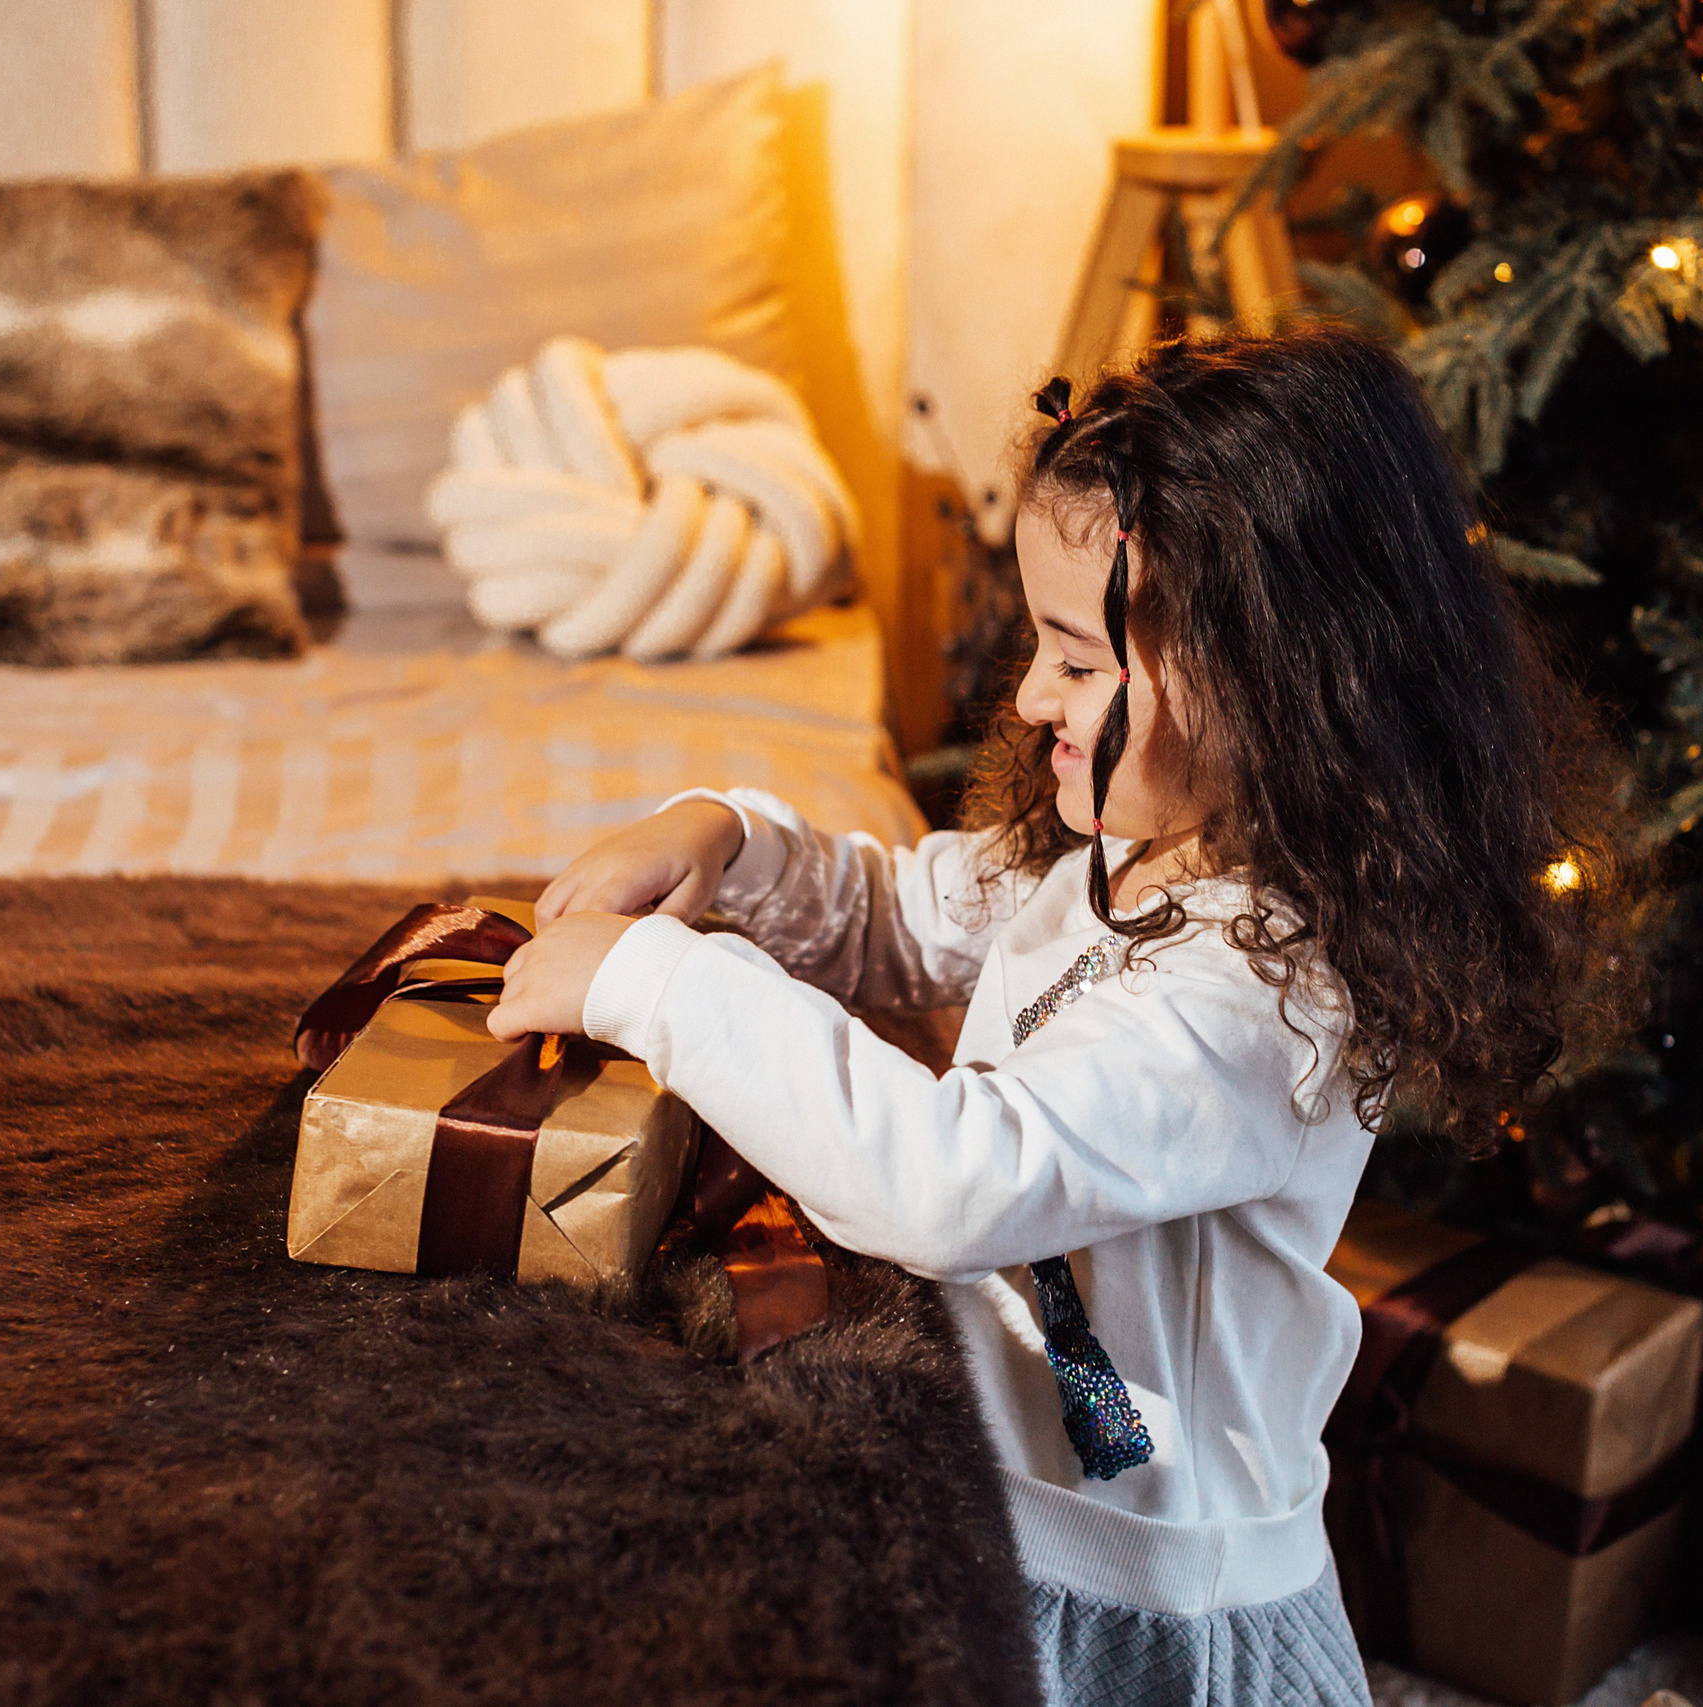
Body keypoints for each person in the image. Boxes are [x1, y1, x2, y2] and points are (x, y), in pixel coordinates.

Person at [486, 324, 1634, 1706]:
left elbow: (957, 1180)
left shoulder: (1261, 1001)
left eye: (1080, 664)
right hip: (1003, 1493)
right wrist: (723, 838)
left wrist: (660, 984)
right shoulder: (1116, 853)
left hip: (1137, 1589)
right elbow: (898, 914)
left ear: (1269, 685)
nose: (1032, 697)